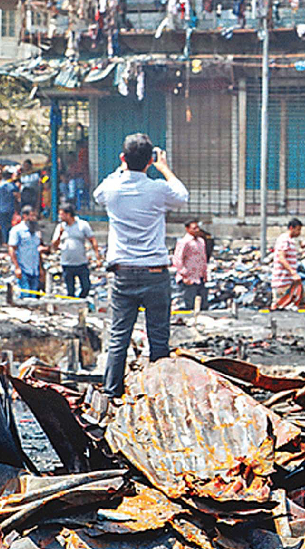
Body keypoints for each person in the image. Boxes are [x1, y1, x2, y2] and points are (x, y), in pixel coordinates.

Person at [94, 133, 190, 399]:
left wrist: (123, 167)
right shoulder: (158, 189)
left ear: (123, 158)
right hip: (155, 274)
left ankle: (111, 394)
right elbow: (182, 195)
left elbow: (98, 193)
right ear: (150, 161)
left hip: (123, 275)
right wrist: (165, 168)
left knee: (118, 338)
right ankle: (158, 396)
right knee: (159, 340)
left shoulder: (111, 189)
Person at [51, 203, 101, 299]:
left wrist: (97, 257)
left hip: (81, 263)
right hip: (67, 263)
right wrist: (60, 234)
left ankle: (81, 300)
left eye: (61, 214)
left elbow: (92, 240)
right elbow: (54, 245)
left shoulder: (82, 225)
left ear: (68, 214)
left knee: (86, 286)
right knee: (70, 291)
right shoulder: (60, 227)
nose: (60, 217)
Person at [8, 206, 47, 296]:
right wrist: (17, 267)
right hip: (23, 269)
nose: (34, 218)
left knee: (33, 296)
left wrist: (41, 269)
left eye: (35, 216)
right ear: (24, 216)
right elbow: (12, 249)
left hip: (34, 270)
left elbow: (38, 251)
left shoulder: (36, 232)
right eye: (31, 216)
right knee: (25, 295)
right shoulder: (17, 230)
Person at [172, 219, 209, 311]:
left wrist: (205, 274)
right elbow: (178, 259)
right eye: (194, 228)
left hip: (199, 277)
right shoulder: (184, 242)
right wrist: (184, 275)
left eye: (197, 228)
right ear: (187, 229)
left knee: (203, 305)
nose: (197, 230)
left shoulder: (201, 241)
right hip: (189, 277)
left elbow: (203, 258)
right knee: (190, 305)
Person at [271, 218, 305, 310]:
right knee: (279, 308)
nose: (299, 232)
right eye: (298, 230)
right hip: (282, 281)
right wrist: (293, 273)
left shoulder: (290, 241)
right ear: (291, 228)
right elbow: (281, 258)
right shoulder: (284, 239)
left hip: (288, 281)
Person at [0, 168, 18, 247]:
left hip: (1, 208)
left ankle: (5, 241)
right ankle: (9, 242)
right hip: (10, 208)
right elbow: (16, 196)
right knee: (10, 226)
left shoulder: (1, 184)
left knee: (4, 226)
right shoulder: (10, 185)